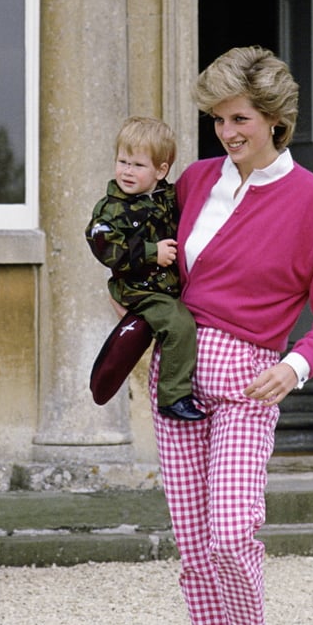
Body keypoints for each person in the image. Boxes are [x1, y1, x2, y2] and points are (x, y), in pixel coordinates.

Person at [149, 46, 313, 625]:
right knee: (191, 543)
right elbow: (143, 260)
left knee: (231, 530)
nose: (225, 132)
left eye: (237, 118)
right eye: (215, 119)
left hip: (248, 382)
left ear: (274, 119)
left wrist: (296, 366)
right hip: (175, 379)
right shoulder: (192, 183)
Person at [86, 116, 205, 422]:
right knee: (180, 325)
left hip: (164, 285)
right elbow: (105, 248)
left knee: (175, 323)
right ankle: (173, 396)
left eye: (138, 165)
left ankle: (134, 331)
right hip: (140, 288)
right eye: (122, 161)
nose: (127, 171)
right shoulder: (112, 207)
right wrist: (153, 253)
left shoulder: (166, 197)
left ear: (160, 170)